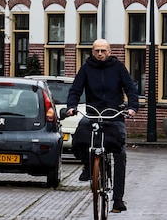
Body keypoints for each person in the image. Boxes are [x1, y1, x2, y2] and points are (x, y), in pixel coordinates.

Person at [67, 38, 139, 213]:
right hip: (93, 114)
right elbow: (75, 89)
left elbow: (130, 88)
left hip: (114, 116)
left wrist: (132, 108)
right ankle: (87, 165)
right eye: (97, 50)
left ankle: (118, 200)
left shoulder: (118, 68)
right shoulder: (86, 69)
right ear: (92, 52)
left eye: (103, 50)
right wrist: (71, 106)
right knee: (79, 137)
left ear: (109, 52)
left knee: (120, 154)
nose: (100, 54)